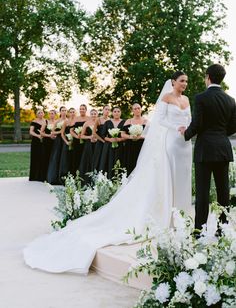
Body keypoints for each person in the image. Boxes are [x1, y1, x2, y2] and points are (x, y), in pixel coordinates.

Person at [23, 72, 192, 274]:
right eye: (182, 81)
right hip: (170, 141)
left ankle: (179, 214)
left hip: (184, 143)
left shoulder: (186, 99)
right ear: (173, 82)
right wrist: (177, 127)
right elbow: (161, 121)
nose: (184, 84)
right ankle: (164, 212)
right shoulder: (166, 98)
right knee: (164, 178)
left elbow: (189, 117)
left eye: (186, 81)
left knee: (181, 178)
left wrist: (187, 128)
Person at [180, 64, 236, 231]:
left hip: (204, 150)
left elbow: (196, 125)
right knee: (223, 192)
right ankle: (223, 229)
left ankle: (199, 230)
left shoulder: (200, 98)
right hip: (223, 149)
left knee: (202, 192)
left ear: (208, 77)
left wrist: (185, 134)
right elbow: (234, 127)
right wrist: (219, 134)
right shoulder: (231, 100)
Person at [99, 107, 126, 179]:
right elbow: (102, 135)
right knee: (109, 162)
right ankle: (108, 179)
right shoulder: (107, 122)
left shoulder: (124, 122)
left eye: (118, 111)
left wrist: (120, 139)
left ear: (121, 112)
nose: (116, 113)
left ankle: (119, 179)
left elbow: (127, 135)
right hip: (108, 146)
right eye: (115, 111)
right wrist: (110, 139)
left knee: (119, 162)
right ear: (112, 113)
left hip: (121, 146)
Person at [121, 103, 147, 176]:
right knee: (130, 163)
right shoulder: (128, 121)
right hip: (130, 146)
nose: (137, 110)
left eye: (138, 108)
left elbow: (150, 135)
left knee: (141, 163)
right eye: (135, 109)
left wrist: (140, 137)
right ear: (132, 110)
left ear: (141, 109)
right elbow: (122, 134)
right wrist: (130, 137)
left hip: (142, 146)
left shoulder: (146, 121)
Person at [46, 106, 67, 185]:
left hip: (65, 140)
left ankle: (63, 176)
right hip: (58, 141)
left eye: (65, 110)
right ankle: (54, 178)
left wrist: (63, 132)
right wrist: (61, 131)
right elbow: (53, 132)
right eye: (62, 110)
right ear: (60, 112)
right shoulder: (57, 121)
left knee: (64, 158)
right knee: (56, 157)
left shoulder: (68, 121)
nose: (64, 112)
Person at [79, 109, 99, 184]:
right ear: (90, 115)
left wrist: (98, 138)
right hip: (89, 145)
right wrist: (89, 137)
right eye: (92, 114)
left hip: (98, 145)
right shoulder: (87, 123)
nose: (93, 115)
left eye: (95, 113)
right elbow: (81, 136)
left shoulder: (99, 123)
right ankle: (86, 180)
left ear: (97, 114)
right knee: (88, 161)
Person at [70, 104, 90, 176]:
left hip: (86, 141)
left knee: (85, 158)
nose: (82, 110)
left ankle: (84, 175)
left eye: (83, 109)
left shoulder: (89, 118)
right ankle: (75, 175)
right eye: (80, 109)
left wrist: (84, 135)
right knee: (76, 157)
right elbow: (71, 131)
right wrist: (77, 136)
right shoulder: (75, 119)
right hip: (77, 141)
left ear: (86, 110)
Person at [29, 109, 46, 181]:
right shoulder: (34, 121)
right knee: (35, 157)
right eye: (39, 113)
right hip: (36, 141)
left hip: (44, 141)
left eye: (42, 112)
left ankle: (42, 176)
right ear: (36, 114)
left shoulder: (46, 121)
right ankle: (34, 176)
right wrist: (38, 136)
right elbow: (31, 132)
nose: (40, 114)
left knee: (43, 157)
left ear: (44, 114)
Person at [92, 105, 110, 171]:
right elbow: (94, 133)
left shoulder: (110, 120)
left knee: (106, 158)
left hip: (107, 142)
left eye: (108, 110)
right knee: (98, 158)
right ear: (103, 110)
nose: (107, 111)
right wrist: (102, 141)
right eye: (106, 109)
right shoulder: (98, 119)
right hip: (100, 142)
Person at [41, 109, 57, 181]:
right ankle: (44, 176)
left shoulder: (57, 122)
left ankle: (52, 176)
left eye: (52, 113)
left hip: (55, 142)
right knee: (46, 158)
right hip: (47, 142)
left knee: (54, 158)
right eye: (50, 113)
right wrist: (49, 135)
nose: (51, 115)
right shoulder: (46, 122)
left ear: (55, 114)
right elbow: (41, 133)